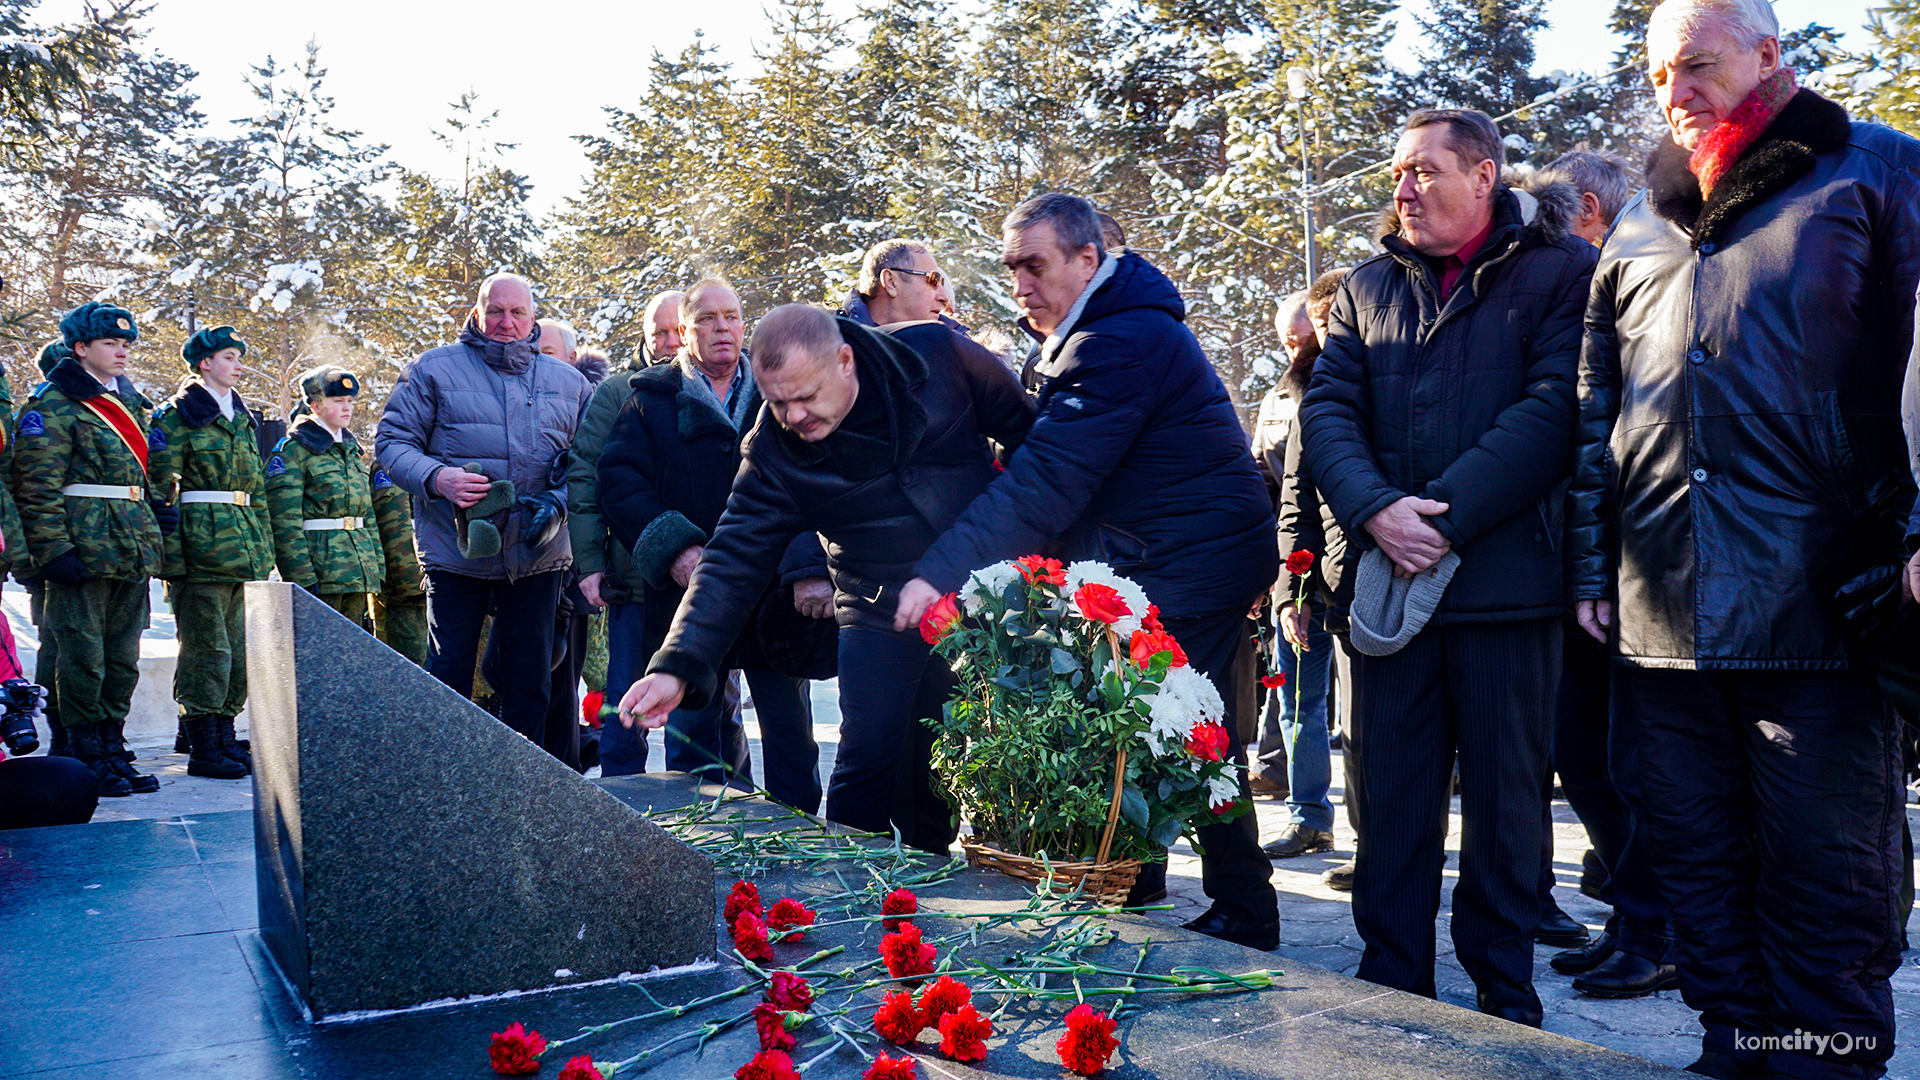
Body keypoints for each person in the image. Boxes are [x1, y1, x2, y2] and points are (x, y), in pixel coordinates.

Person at [1571, 0, 1920, 1073]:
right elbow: (1599, 405)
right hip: (1663, 614)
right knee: (1698, 865)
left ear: (1772, 56)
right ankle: (1738, 1041)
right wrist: (1595, 562)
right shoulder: (1638, 222)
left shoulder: (1875, 173)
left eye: (1699, 66)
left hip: (1820, 604)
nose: (1675, 93)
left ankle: (1819, 1055)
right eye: (1658, 73)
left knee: (1825, 873)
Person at [893, 192, 1282, 951]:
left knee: (1170, 727)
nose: (1020, 285)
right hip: (1172, 552)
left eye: (1034, 266)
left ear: (1087, 260)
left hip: (1189, 560)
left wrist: (938, 571)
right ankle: (1157, 882)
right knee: (1173, 728)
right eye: (1011, 269)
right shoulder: (1093, 333)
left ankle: (1232, 901)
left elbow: (1050, 480)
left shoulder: (1119, 341)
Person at [1300, 108, 1596, 1024]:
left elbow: (1556, 410)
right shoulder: (1362, 287)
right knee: (1389, 804)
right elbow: (1328, 414)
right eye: (1397, 171)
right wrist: (1377, 510)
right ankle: (1393, 986)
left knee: (1509, 815)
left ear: (1485, 175)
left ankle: (1503, 1001)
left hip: (1506, 590)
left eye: (1425, 170)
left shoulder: (1561, 274)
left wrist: (1447, 514)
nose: (1403, 188)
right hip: (1387, 593)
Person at [618, 303, 1036, 852]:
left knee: (954, 750)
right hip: (873, 600)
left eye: (806, 396)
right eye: (777, 402)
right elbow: (730, 560)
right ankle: (848, 876)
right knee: (866, 754)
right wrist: (678, 665)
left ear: (845, 360)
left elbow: (1034, 445)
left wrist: (1024, 555)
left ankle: (933, 877)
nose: (793, 418)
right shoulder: (772, 451)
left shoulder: (944, 357)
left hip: (979, 589)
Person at [597, 281, 828, 809]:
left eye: (732, 317)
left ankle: (806, 839)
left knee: (789, 732)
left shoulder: (782, 392)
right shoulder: (649, 400)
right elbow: (619, 483)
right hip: (690, 597)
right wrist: (674, 548)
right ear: (683, 332)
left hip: (775, 598)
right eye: (707, 319)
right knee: (695, 732)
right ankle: (700, 847)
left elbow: (816, 484)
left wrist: (805, 566)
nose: (723, 328)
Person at [377, 273, 589, 757]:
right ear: (476, 314)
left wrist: (557, 504)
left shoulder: (570, 384)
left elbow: (590, 465)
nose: (506, 323)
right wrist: (438, 478)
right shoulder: (432, 370)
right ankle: (446, 777)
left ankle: (524, 782)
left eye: (518, 313)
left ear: (534, 318)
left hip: (536, 556)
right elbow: (391, 443)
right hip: (456, 553)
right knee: (449, 673)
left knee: (531, 682)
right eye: (496, 311)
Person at [13, 302, 174, 798]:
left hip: (129, 546)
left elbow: (135, 477)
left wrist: (154, 512)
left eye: (126, 344)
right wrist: (53, 550)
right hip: (83, 546)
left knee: (122, 658)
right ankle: (84, 754)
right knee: (83, 658)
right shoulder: (53, 404)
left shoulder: (128, 405)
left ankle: (110, 745)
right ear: (80, 348)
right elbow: (36, 486)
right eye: (110, 343)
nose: (121, 351)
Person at [569, 289, 685, 778]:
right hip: (633, 579)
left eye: (678, 329)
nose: (669, 341)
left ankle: (710, 808)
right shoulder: (618, 392)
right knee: (624, 700)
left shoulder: (717, 388)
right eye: (658, 332)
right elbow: (586, 475)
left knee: (704, 707)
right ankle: (620, 801)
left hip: (703, 582)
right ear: (644, 335)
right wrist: (592, 564)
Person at [149, 325, 272, 780]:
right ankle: (202, 745)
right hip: (199, 552)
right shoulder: (177, 416)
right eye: (228, 357)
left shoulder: (241, 417)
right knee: (207, 651)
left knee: (238, 651)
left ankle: (223, 735)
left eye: (239, 357)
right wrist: (173, 561)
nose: (238, 365)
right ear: (204, 363)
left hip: (241, 550)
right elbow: (164, 491)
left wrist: (263, 551)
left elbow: (254, 491)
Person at [1251, 292, 1337, 860]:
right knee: (1297, 700)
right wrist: (1272, 578)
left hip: (1350, 561)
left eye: (1303, 328)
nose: (1296, 339)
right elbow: (1267, 483)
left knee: (1354, 715)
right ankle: (1309, 815)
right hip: (1299, 564)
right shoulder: (1281, 395)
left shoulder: (1354, 380)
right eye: (1289, 333)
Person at [265, 367, 393, 626]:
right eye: (337, 401)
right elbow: (284, 523)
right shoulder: (294, 451)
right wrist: (301, 579)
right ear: (315, 405)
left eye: (349, 401)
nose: (347, 408)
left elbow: (366, 515)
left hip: (356, 571)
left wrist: (375, 567)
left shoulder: (351, 452)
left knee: (349, 657)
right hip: (320, 575)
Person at [840, 240, 956, 329]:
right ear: (891, 282)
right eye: (933, 280)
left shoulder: (956, 349)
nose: (944, 297)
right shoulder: (830, 343)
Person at [1541, 150, 1634, 246]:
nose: (1603, 244)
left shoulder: (1527, 240)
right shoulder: (1582, 258)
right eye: (1607, 228)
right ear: (1586, 209)